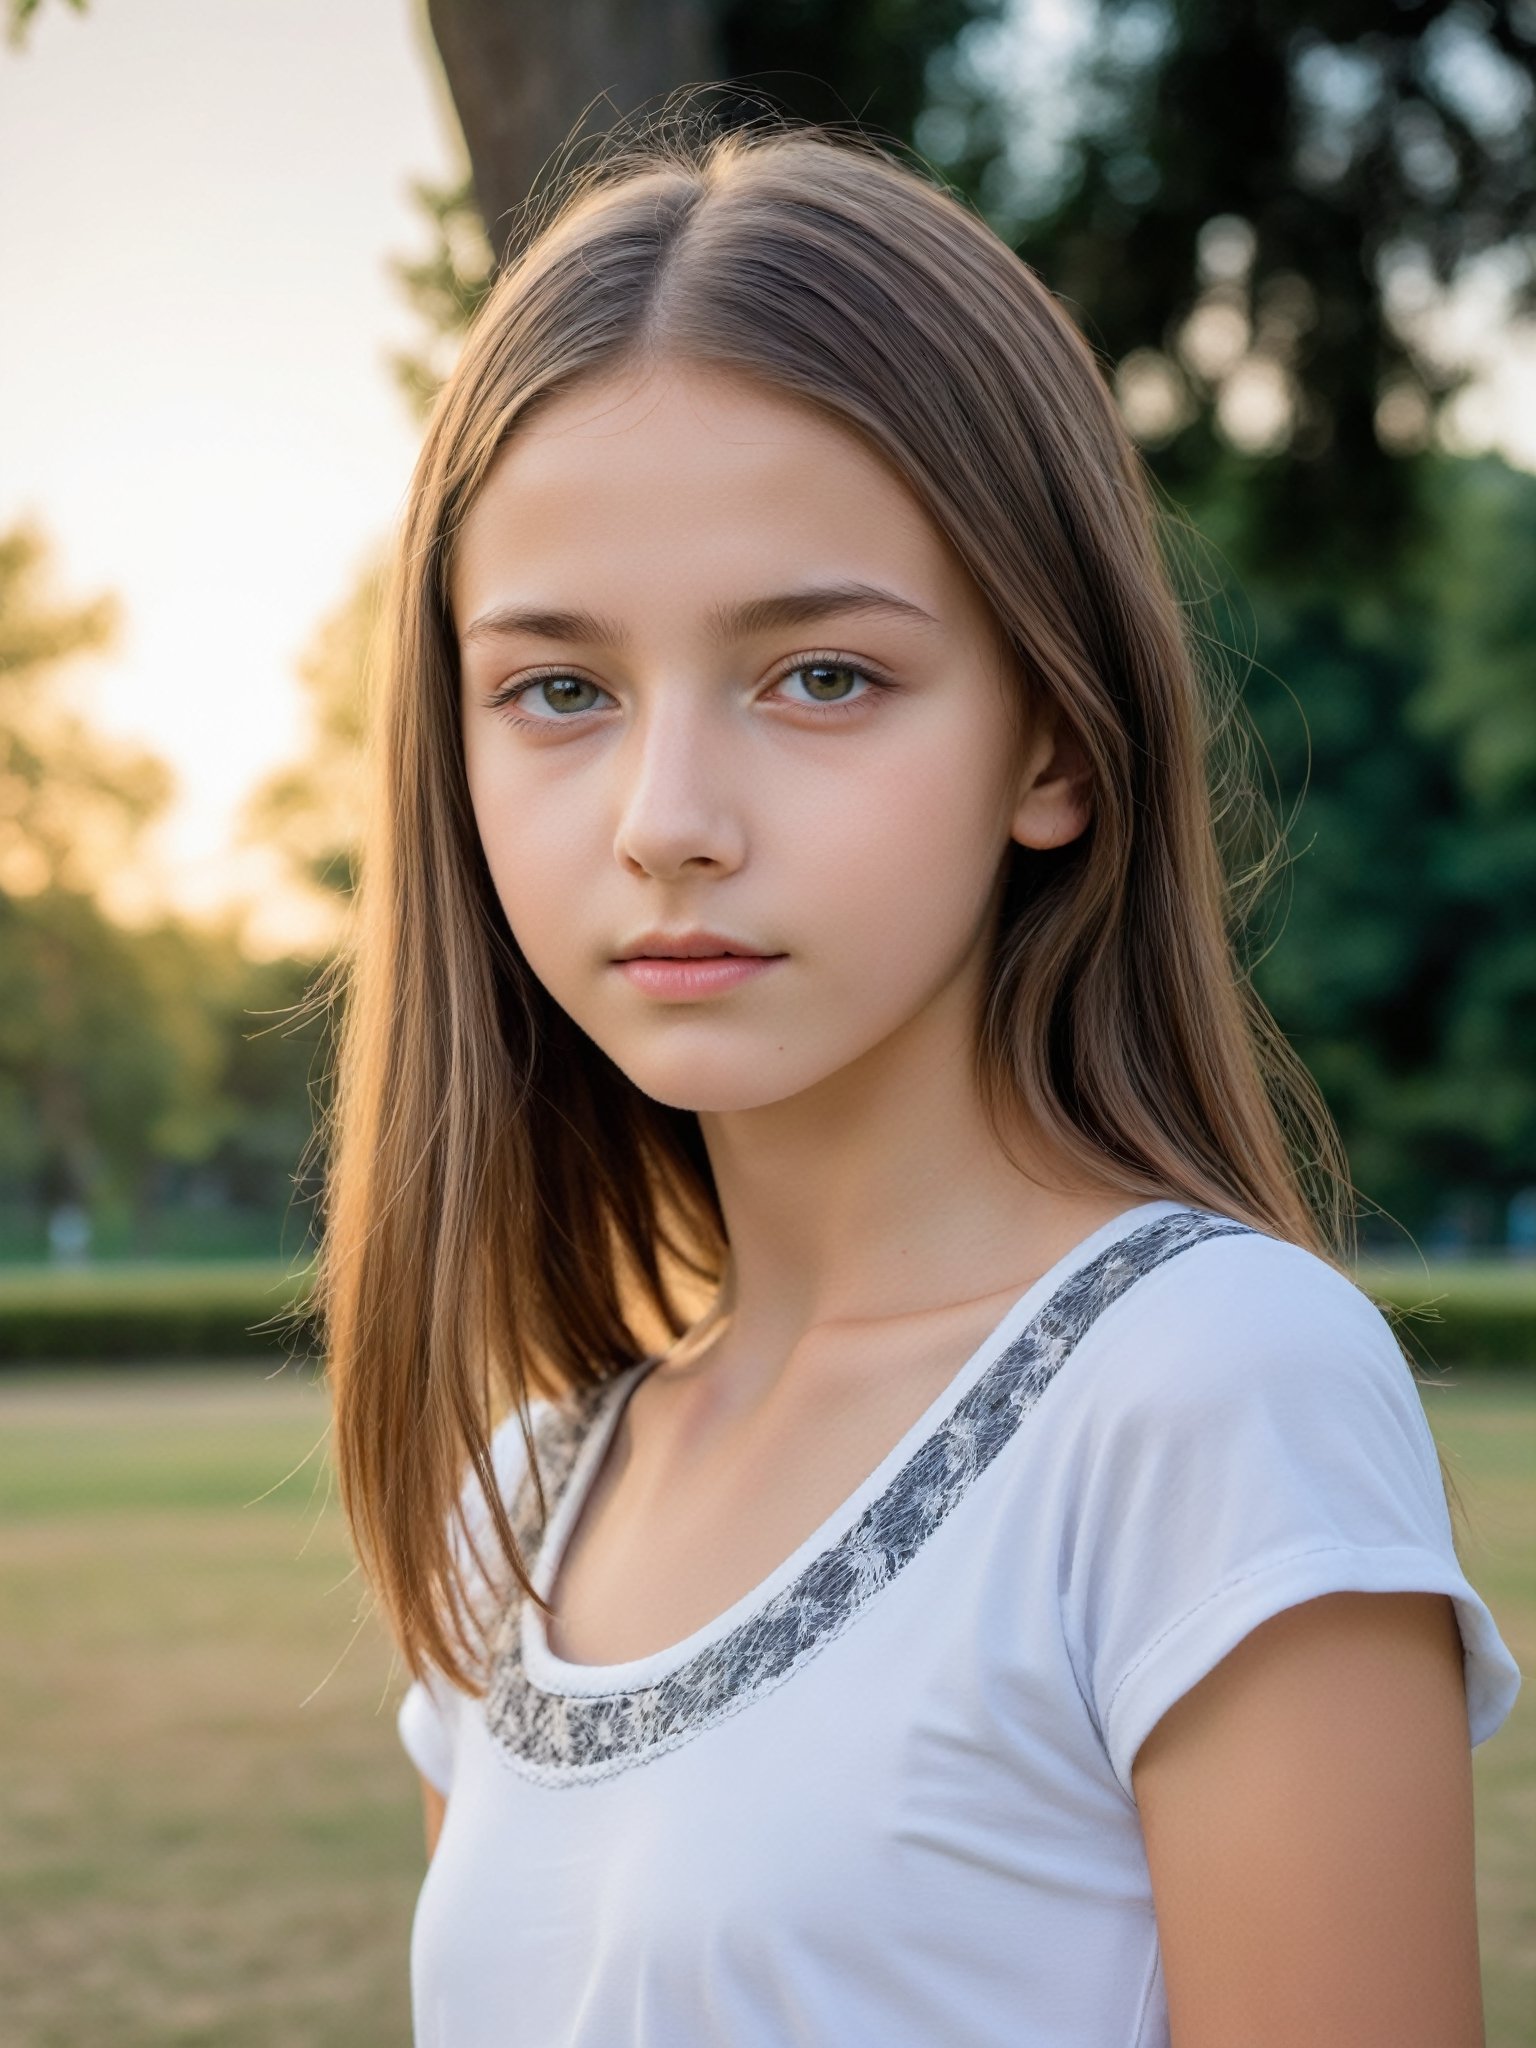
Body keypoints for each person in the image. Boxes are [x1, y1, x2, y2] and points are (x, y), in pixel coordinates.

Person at [316, 110, 1522, 2047]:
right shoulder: (526, 1502)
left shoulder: (1208, 1394)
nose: (669, 819)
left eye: (822, 677)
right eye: (559, 688)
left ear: (1053, 740)